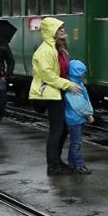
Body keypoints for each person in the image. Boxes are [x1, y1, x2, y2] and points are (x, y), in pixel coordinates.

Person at [29, 17, 82, 176]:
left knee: (62, 128)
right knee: (56, 130)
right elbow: (48, 75)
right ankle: (52, 165)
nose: (63, 31)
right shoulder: (46, 50)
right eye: (59, 29)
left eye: (63, 28)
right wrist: (68, 85)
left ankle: (57, 161)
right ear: (51, 31)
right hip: (50, 93)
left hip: (57, 91)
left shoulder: (58, 48)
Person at [64, 59, 95, 175]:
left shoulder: (76, 84)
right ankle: (79, 165)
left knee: (75, 142)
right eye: (82, 73)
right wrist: (89, 115)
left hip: (76, 118)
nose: (84, 75)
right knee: (76, 143)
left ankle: (71, 163)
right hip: (75, 119)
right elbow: (79, 105)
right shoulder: (74, 87)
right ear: (77, 74)